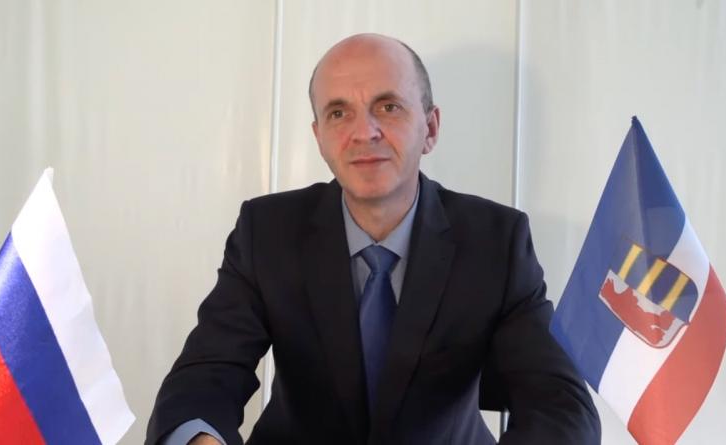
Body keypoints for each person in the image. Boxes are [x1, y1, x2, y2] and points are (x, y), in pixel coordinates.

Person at [146, 33, 600, 445]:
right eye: (338, 113)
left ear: (431, 129)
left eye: (388, 107)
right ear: (319, 137)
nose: (363, 133)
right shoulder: (266, 231)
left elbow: (559, 404)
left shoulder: (496, 241)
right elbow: (206, 374)